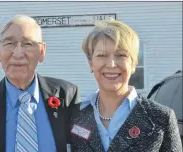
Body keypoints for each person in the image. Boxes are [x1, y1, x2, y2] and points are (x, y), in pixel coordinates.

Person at [0, 14, 81, 152]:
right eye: (9, 43)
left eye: (28, 44)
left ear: (42, 51)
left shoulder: (67, 96)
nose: (18, 53)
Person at [69, 19, 182, 152]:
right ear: (90, 62)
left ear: (133, 63)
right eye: (102, 55)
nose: (111, 64)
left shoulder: (160, 118)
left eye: (121, 55)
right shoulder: (75, 115)